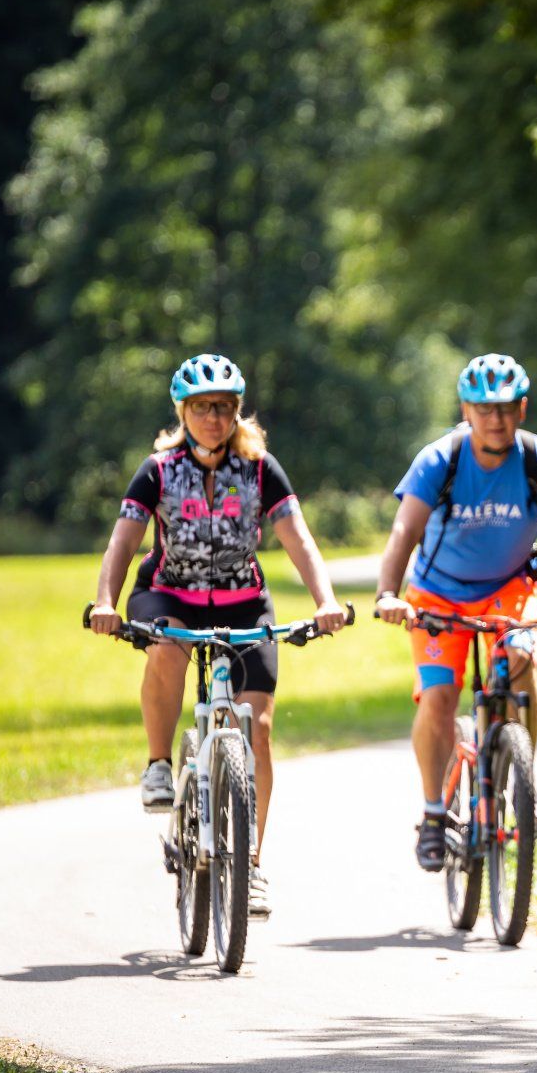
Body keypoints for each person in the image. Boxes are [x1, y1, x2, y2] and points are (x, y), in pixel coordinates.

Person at [87, 353, 346, 917]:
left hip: (243, 601)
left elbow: (298, 538)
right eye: (203, 407)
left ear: (236, 413)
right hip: (169, 595)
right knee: (167, 645)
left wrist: (325, 602)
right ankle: (159, 764)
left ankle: (250, 865)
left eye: (224, 408)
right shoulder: (157, 470)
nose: (213, 417)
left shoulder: (260, 468)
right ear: (184, 411)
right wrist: (106, 601)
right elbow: (125, 540)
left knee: (259, 728)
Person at [375, 353, 537, 871]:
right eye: (484, 409)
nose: (496, 419)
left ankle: (524, 779)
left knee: (523, 659)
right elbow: (403, 533)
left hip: (508, 589)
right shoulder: (441, 459)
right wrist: (387, 593)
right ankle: (435, 813)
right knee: (439, 696)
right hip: (438, 594)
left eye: (505, 408)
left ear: (522, 409)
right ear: (466, 410)